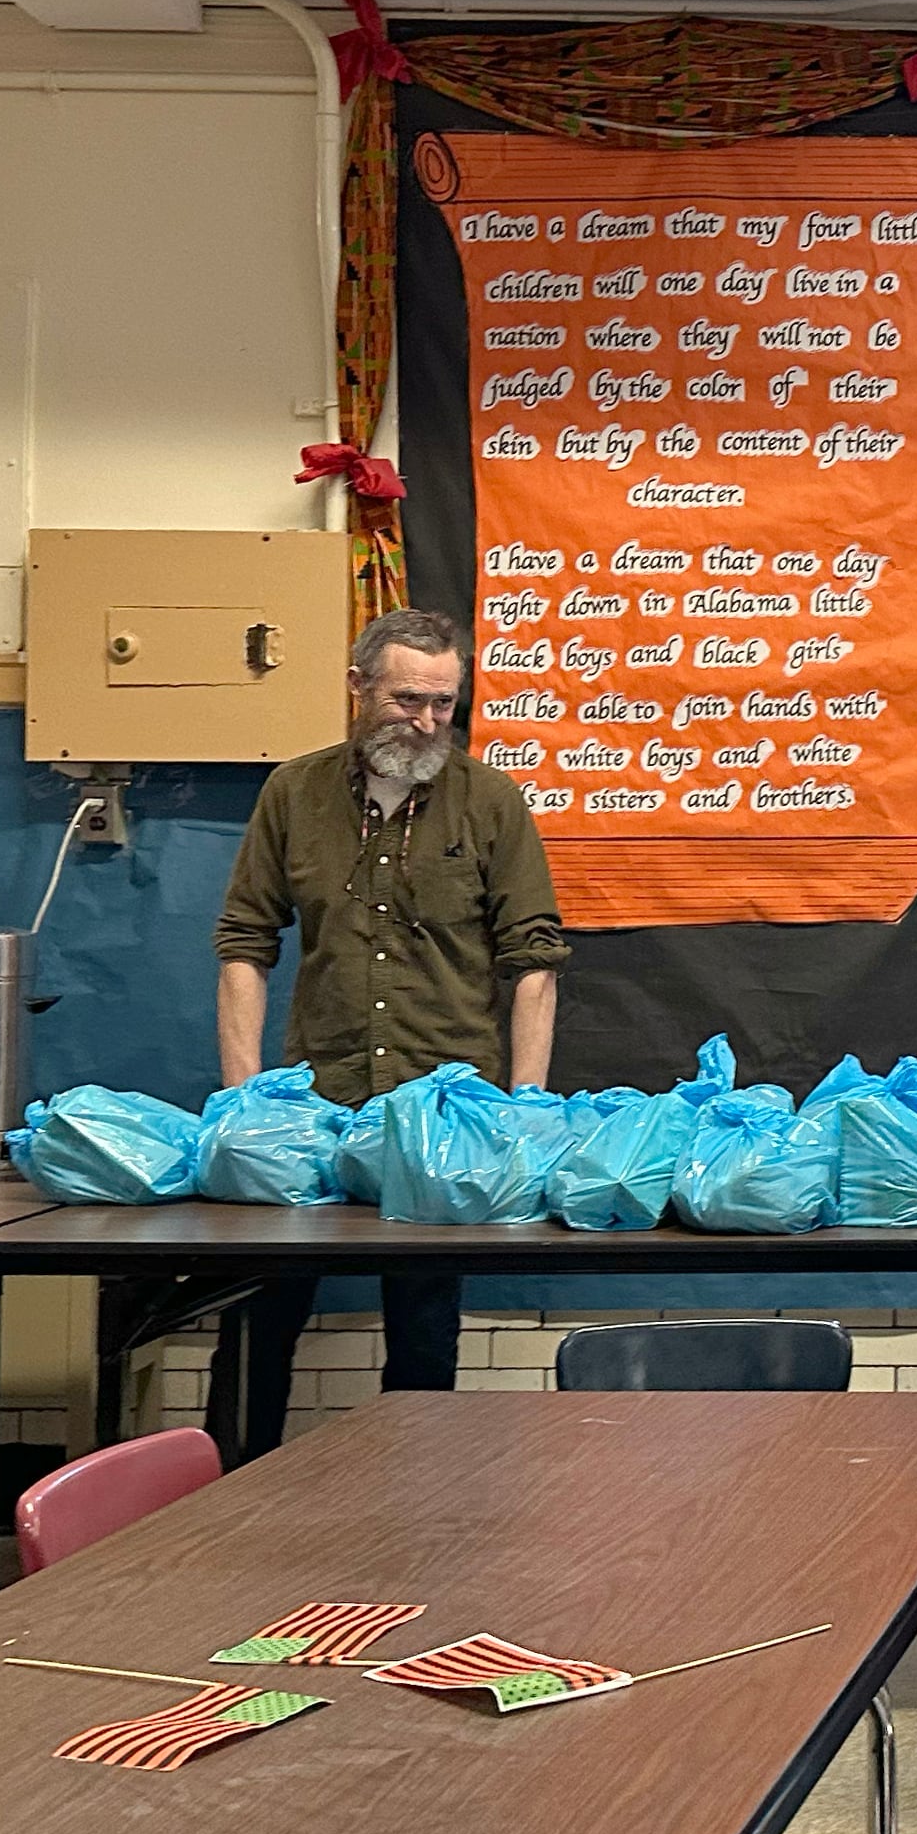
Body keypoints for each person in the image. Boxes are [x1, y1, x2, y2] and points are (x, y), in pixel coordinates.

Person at [213, 607, 566, 1461]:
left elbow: (534, 961)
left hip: (445, 1114)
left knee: (423, 1329)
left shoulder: (490, 801)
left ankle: (416, 1503)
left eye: (445, 703)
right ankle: (224, 1494)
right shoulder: (293, 794)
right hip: (316, 1105)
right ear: (358, 688)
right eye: (409, 699)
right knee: (258, 1318)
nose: (428, 721)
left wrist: (525, 1109)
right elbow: (245, 944)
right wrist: (244, 1102)